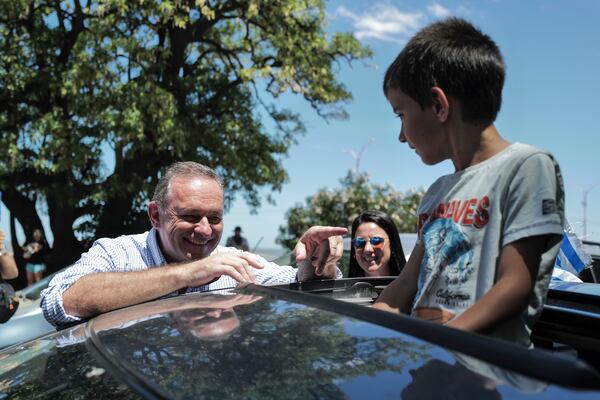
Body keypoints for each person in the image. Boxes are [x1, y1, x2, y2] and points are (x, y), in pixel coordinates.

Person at [374, 18, 565, 347]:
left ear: (438, 105)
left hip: (487, 376)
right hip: (430, 369)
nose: (402, 136)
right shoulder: (436, 194)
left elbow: (515, 285)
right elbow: (403, 289)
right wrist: (361, 333)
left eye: (401, 114)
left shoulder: (526, 166)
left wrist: (437, 343)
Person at [41, 161, 346, 327]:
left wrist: (318, 264)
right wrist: (188, 273)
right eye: (189, 215)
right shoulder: (117, 253)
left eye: (214, 218)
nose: (204, 230)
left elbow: (299, 284)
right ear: (155, 215)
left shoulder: (231, 261)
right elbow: (60, 302)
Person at [348, 210, 406, 277]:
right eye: (359, 243)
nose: (367, 249)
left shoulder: (413, 285)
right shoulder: (345, 286)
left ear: (392, 244)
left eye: (376, 241)